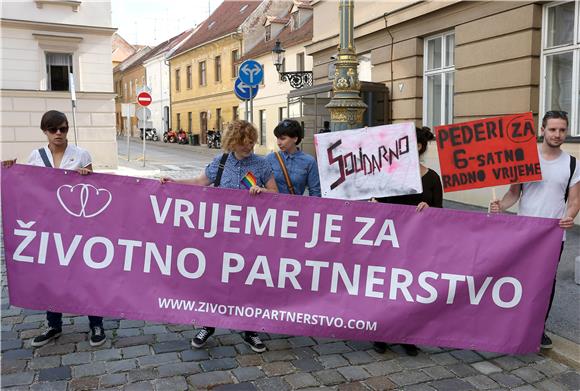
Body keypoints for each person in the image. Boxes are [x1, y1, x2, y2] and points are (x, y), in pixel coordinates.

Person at [161, 119, 278, 353]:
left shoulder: (262, 164)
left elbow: (276, 192)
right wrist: (175, 183)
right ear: (232, 142)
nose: (249, 147)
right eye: (244, 143)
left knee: (248, 280)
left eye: (252, 143)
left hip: (251, 234)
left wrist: (263, 191)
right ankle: (208, 325)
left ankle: (250, 329)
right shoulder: (221, 162)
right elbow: (198, 182)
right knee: (216, 280)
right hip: (221, 233)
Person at [2, 110, 107, 347]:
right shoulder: (36, 156)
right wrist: (10, 170)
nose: (59, 133)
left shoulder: (81, 154)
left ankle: (96, 323)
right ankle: (53, 325)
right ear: (45, 132)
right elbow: (29, 187)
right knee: (52, 274)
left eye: (63, 128)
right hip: (48, 226)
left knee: (86, 274)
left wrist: (87, 175)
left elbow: (94, 188)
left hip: (77, 226)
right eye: (53, 129)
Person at [490, 110, 579, 349]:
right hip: (524, 232)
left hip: (552, 235)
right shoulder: (525, 158)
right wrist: (501, 206)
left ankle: (537, 328)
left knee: (544, 283)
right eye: (552, 129)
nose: (557, 134)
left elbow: (574, 200)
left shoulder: (572, 163)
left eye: (562, 130)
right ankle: (511, 324)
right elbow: (513, 194)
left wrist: (570, 216)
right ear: (542, 130)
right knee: (517, 279)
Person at [373, 126, 443, 356]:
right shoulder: (391, 174)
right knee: (387, 287)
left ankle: (407, 334)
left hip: (418, 245)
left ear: (419, 147)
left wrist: (429, 209)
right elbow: (380, 205)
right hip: (390, 241)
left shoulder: (432, 178)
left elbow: (441, 214)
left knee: (410, 290)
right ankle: (382, 333)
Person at [266, 119, 321, 197]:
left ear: (295, 139)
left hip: (295, 207)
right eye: (277, 138)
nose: (278, 142)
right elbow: (259, 183)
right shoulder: (270, 158)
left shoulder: (309, 161)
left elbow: (315, 192)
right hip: (271, 207)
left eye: (282, 139)